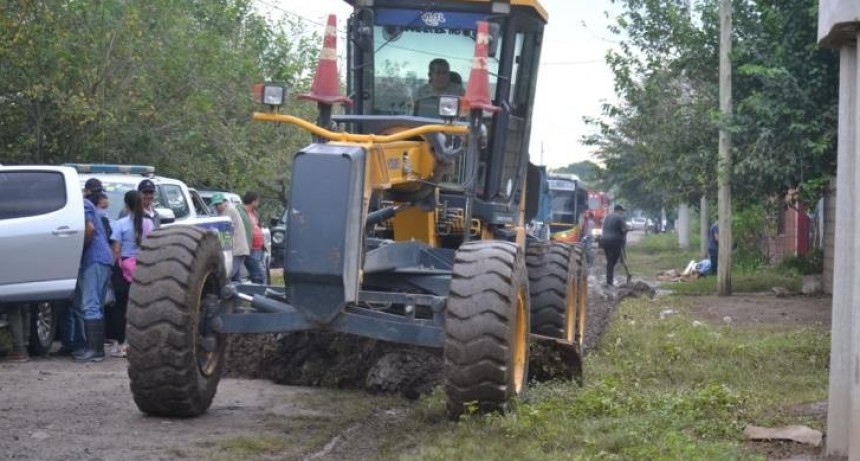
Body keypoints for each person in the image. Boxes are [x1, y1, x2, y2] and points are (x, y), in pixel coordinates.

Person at [107, 190, 153, 358]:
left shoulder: (120, 224)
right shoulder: (149, 224)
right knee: (139, 306)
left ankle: (120, 344)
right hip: (142, 267)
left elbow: (116, 249)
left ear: (126, 205)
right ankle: (137, 343)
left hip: (123, 268)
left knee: (120, 307)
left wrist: (113, 268)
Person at [72, 187, 115, 362]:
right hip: (103, 258)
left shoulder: (82, 205)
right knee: (96, 305)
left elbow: (89, 229)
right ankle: (97, 350)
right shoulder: (87, 204)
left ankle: (94, 350)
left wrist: (79, 249)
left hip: (94, 258)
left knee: (90, 304)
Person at [211, 193, 250, 282]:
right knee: (236, 278)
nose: (217, 207)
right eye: (215, 205)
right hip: (238, 249)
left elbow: (224, 234)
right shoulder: (227, 211)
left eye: (219, 204)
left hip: (236, 249)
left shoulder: (228, 212)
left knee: (228, 275)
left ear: (225, 202)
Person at [238, 191, 266, 284]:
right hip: (251, 248)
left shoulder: (254, 213)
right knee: (258, 274)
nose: (258, 203)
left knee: (261, 273)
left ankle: (261, 293)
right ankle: (259, 295)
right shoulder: (240, 212)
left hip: (259, 248)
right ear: (253, 201)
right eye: (257, 201)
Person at [601, 204, 629, 288]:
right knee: (613, 261)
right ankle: (609, 281)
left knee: (610, 261)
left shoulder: (607, 217)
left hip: (604, 241)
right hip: (615, 241)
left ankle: (609, 281)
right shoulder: (620, 218)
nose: (623, 212)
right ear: (619, 210)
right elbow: (624, 229)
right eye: (622, 211)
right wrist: (628, 229)